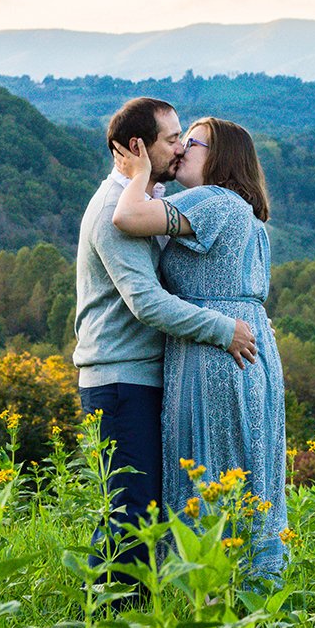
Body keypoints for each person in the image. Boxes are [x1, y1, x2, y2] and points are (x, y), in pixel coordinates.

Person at [73, 97, 258, 581]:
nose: (179, 150)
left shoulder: (150, 204)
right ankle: (115, 627)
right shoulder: (117, 209)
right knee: (131, 515)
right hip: (120, 378)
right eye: (172, 140)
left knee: (150, 510)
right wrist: (223, 328)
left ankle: (140, 620)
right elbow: (148, 303)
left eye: (184, 139)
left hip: (147, 377)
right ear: (138, 147)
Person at [111, 116, 288, 582]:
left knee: (213, 471)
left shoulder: (213, 201)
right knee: (245, 467)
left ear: (221, 157)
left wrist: (138, 174)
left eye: (193, 141)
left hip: (216, 354)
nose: (182, 148)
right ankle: (248, 594)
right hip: (246, 346)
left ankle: (215, 595)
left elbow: (127, 218)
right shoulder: (237, 209)